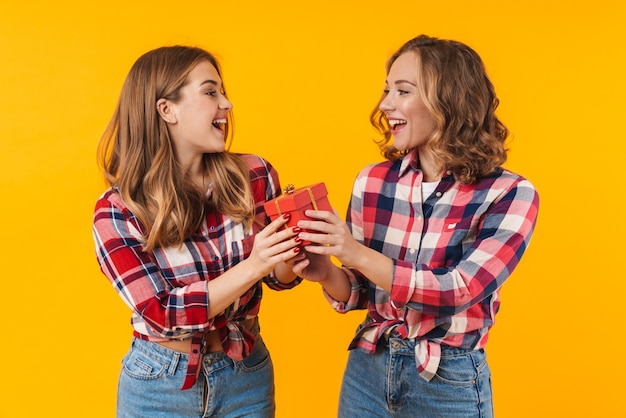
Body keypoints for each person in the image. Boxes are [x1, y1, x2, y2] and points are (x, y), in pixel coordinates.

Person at [291, 34, 539, 417]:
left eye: (402, 90)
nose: (386, 104)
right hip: (367, 372)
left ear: (449, 100)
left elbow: (458, 290)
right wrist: (325, 271)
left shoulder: (509, 193)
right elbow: (362, 290)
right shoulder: (372, 182)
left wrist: (354, 252)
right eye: (386, 90)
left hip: (447, 381)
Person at [92, 45, 302, 418]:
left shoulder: (254, 174)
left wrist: (296, 252)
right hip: (160, 383)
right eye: (210, 92)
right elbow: (160, 313)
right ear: (166, 109)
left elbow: (279, 279)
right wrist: (254, 264)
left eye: (222, 91)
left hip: (246, 371)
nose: (227, 104)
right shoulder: (117, 210)